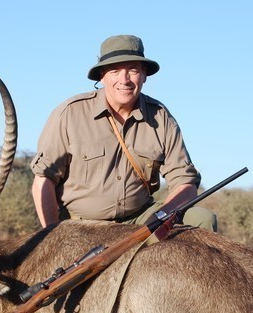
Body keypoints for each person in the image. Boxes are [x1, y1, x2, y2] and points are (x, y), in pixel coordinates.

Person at [30, 34, 217, 231]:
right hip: (82, 225)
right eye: (115, 71)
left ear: (144, 74)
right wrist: (52, 235)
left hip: (140, 219)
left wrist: (160, 217)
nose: (124, 80)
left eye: (133, 70)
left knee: (203, 219)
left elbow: (185, 181)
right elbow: (43, 179)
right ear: (102, 76)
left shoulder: (161, 116)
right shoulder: (70, 113)